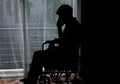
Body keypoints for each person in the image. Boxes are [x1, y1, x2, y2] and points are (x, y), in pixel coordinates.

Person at [21, 4, 82, 84]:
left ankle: (31, 79)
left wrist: (59, 29)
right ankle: (32, 78)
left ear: (65, 15)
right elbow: (64, 41)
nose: (59, 18)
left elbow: (65, 44)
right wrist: (56, 40)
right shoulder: (71, 25)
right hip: (65, 55)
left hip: (66, 57)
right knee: (39, 54)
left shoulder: (74, 27)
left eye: (60, 16)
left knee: (38, 55)